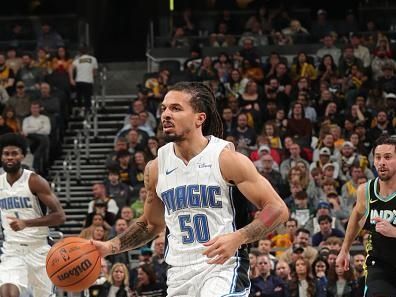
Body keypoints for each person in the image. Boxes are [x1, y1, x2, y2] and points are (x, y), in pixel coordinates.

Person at [93, 82, 289, 296]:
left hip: (222, 268)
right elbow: (151, 224)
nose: (166, 114)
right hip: (179, 274)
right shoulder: (157, 167)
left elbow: (278, 209)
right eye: (164, 109)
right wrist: (110, 246)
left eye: (176, 108)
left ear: (199, 118)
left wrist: (239, 237)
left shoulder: (226, 159)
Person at [0, 133, 65, 297]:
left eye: (14, 154)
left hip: (39, 250)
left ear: (22, 155)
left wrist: (26, 223)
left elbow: (60, 216)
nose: (10, 157)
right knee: (7, 292)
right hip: (12, 250)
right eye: (6, 154)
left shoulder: (34, 181)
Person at [336, 134, 396, 296]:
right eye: (378, 157)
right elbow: (357, 218)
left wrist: (393, 232)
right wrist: (345, 249)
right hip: (379, 265)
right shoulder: (365, 190)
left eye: (388, 157)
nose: (382, 162)